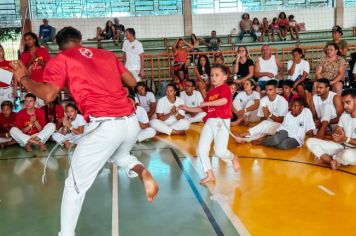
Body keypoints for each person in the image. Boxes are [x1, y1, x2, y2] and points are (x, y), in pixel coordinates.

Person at [10, 26, 158, 236]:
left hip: (105, 125)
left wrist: (24, 78)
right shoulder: (106, 55)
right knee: (120, 155)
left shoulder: (61, 60)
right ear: (79, 40)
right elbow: (132, 82)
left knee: (74, 185)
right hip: (129, 122)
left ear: (59, 46)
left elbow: (49, 94)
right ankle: (141, 170)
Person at [179, 64, 240, 184]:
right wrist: (187, 108)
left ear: (224, 77)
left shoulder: (225, 88)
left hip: (222, 122)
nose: (213, 77)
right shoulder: (211, 92)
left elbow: (224, 101)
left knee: (220, 151)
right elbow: (202, 108)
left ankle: (233, 158)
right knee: (201, 149)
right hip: (210, 121)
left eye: (217, 75)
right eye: (212, 75)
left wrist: (206, 104)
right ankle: (209, 173)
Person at [306, 88, 356, 169]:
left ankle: (330, 158)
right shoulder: (345, 115)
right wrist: (336, 134)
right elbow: (338, 130)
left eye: (348, 102)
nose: (344, 106)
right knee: (310, 141)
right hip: (342, 146)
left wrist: (345, 138)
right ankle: (331, 162)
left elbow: (345, 138)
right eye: (343, 103)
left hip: (353, 150)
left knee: (347, 155)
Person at [20, 32, 51, 107]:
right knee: (33, 108)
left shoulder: (42, 51)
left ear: (34, 40)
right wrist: (30, 60)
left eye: (29, 39)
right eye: (26, 40)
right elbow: (24, 71)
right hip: (31, 85)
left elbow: (49, 66)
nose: (28, 41)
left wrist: (37, 60)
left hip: (43, 84)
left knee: (44, 107)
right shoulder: (24, 54)